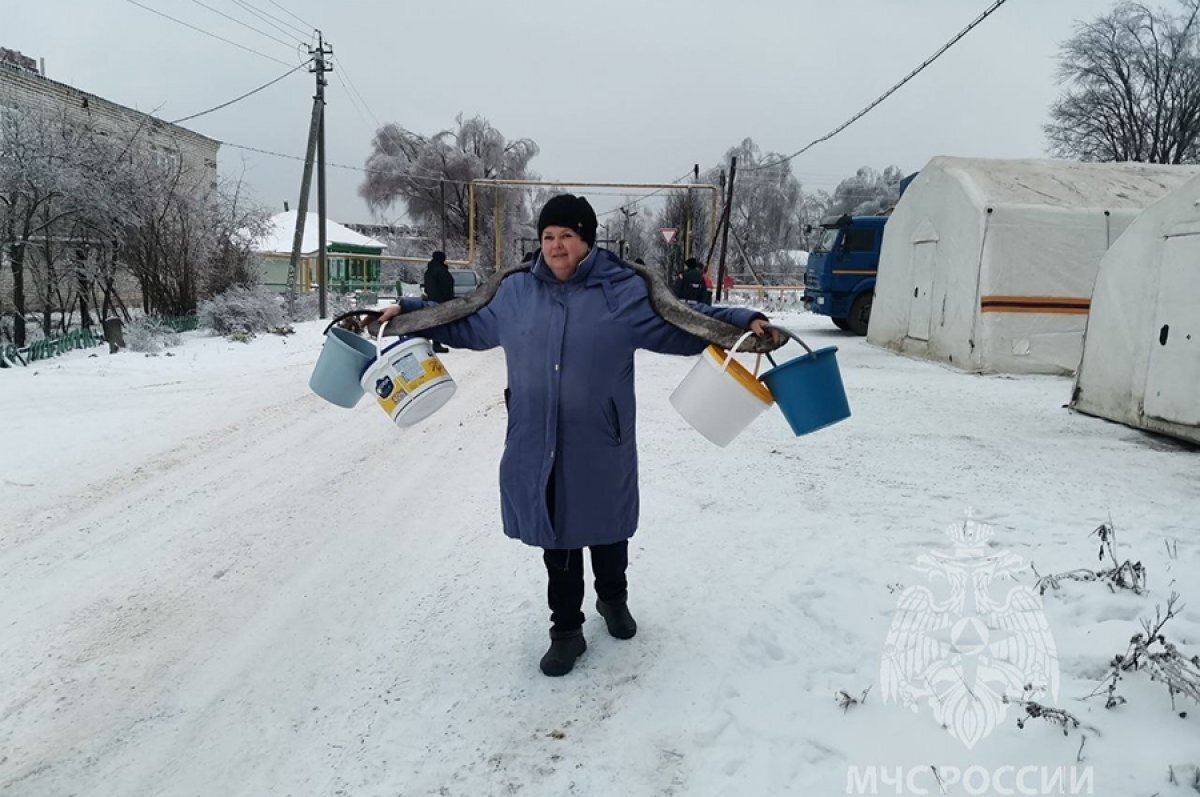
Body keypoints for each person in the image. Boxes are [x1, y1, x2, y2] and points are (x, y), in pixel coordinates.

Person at [376, 194, 778, 677]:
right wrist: (405, 312)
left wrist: (741, 324)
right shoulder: (515, 293)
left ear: (586, 240)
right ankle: (565, 629)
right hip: (536, 436)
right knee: (558, 537)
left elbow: (681, 319)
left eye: (567, 235)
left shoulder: (623, 291)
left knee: (607, 529)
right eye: (548, 236)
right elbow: (464, 316)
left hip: (600, 438)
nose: (556, 246)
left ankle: (613, 600)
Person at [422, 251, 455, 352]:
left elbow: (427, 287)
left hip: (431, 299)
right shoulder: (441, 271)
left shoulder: (429, 270)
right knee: (438, 322)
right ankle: (437, 344)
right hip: (441, 300)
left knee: (433, 322)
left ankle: (432, 342)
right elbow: (446, 287)